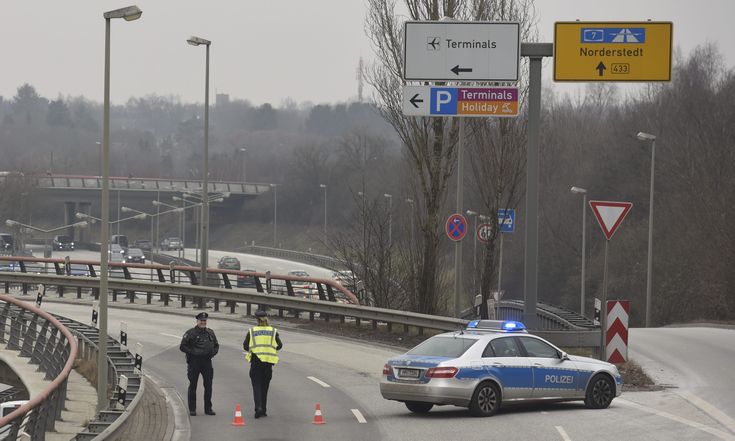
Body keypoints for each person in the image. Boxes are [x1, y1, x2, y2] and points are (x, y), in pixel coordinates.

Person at [243, 309, 283, 418]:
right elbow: (279, 345)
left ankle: (258, 407)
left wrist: (254, 349)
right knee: (265, 387)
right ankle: (264, 410)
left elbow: (245, 346)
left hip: (256, 362)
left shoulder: (252, 331)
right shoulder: (273, 331)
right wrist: (270, 349)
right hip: (268, 363)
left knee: (256, 386)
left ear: (257, 320)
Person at [180, 312, 219, 416]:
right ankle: (192, 409)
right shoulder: (191, 333)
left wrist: (212, 354)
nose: (203, 322)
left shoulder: (210, 332)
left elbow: (216, 346)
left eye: (204, 321)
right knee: (193, 385)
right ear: (197, 321)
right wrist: (193, 352)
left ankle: (208, 409)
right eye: (201, 320)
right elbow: (182, 346)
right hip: (194, 362)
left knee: (208, 385)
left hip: (207, 362)